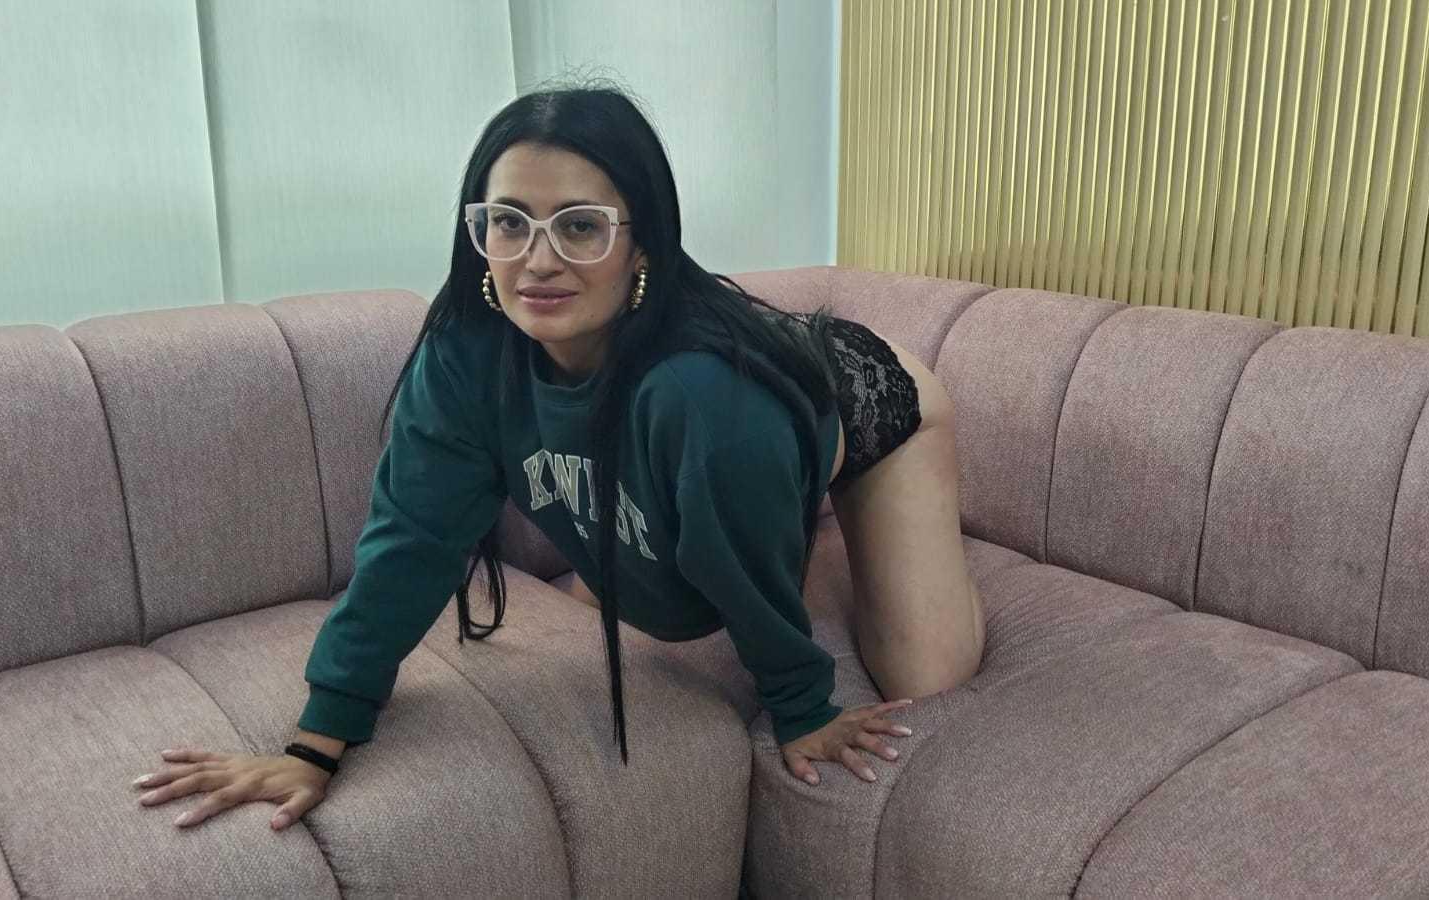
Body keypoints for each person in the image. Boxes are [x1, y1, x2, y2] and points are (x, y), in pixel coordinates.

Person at [132, 85, 985, 832]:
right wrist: (316, 744)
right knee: (672, 572)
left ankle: (820, 507)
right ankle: (779, 507)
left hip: (865, 403)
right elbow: (411, 544)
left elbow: (757, 606)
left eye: (580, 226)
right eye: (509, 223)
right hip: (745, 437)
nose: (538, 261)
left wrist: (803, 708)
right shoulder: (466, 359)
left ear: (641, 243)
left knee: (928, 672)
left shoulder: (702, 399)